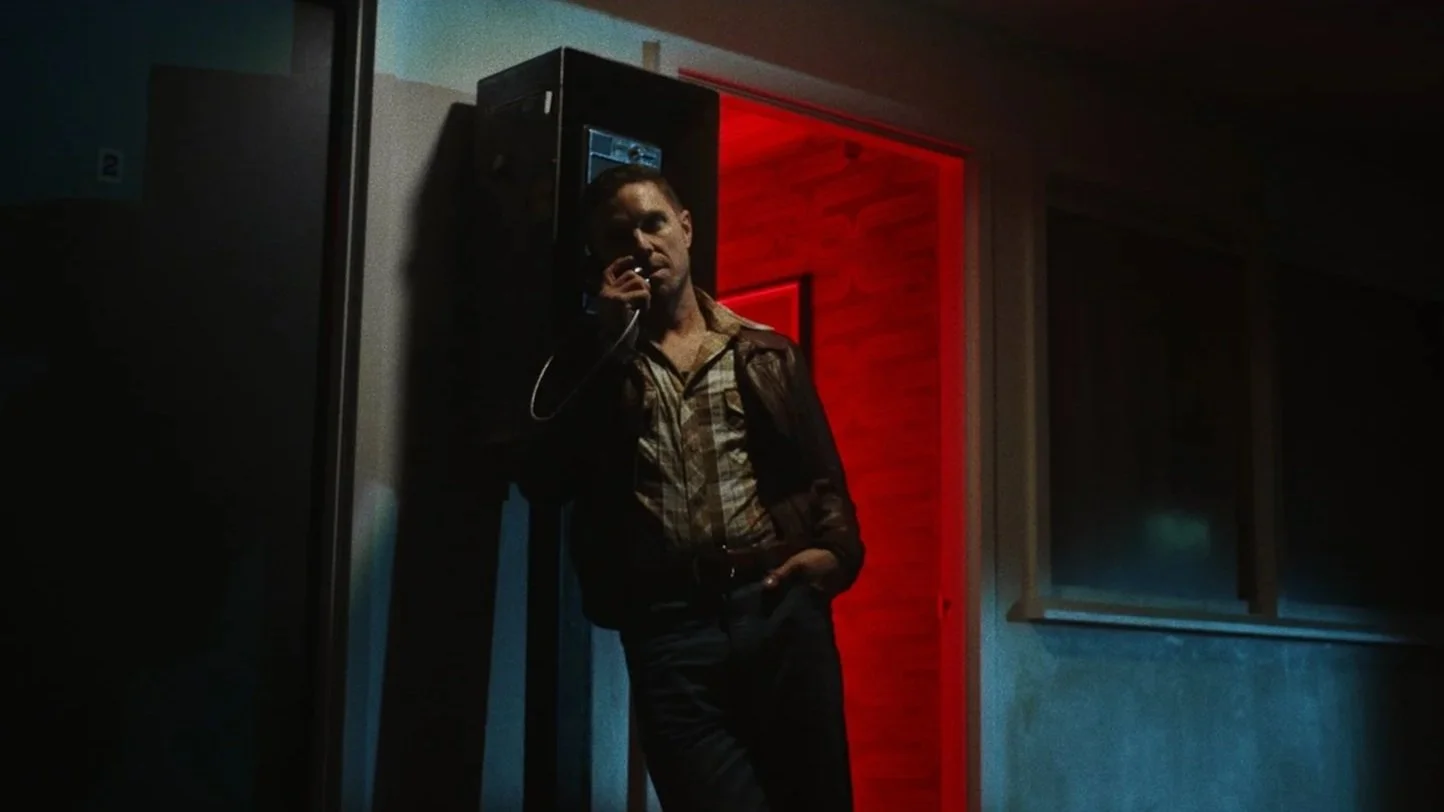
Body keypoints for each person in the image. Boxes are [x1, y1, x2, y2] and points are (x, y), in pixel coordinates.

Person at [518, 164, 862, 812]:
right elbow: (544, 479)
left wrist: (837, 555)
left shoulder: (764, 351)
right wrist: (607, 345)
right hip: (669, 628)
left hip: (776, 608)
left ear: (685, 228)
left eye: (653, 223)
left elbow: (821, 478)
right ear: (600, 260)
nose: (641, 244)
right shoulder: (590, 363)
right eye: (619, 236)